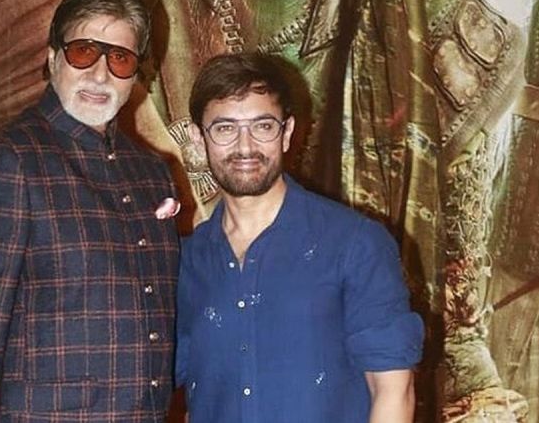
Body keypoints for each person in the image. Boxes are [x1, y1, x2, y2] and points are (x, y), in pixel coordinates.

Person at [0, 0, 181, 421]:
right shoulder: (9, 160)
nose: (100, 75)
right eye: (84, 51)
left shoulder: (151, 173)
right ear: (52, 58)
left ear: (136, 74)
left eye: (120, 58)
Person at [175, 53, 425, 422]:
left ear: (287, 132)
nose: (245, 146)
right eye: (225, 128)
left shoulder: (354, 244)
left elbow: (393, 391)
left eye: (263, 126)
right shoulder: (185, 261)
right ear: (199, 139)